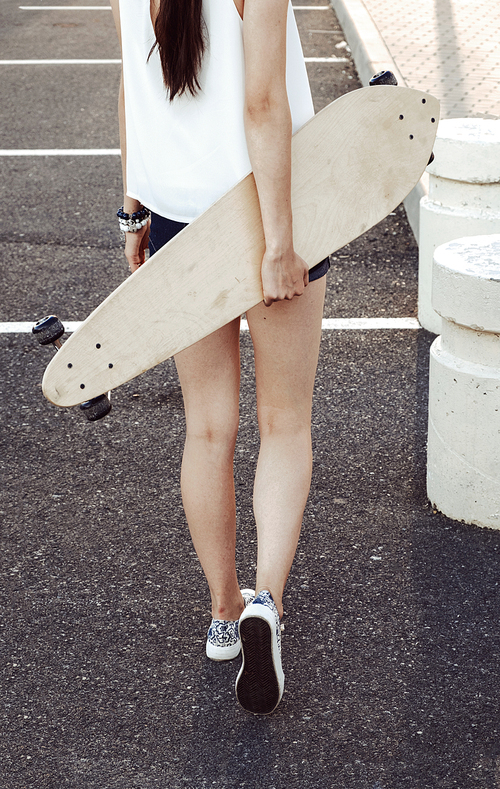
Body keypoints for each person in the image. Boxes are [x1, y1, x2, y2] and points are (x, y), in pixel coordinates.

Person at [110, 0, 328, 715]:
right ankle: (267, 601)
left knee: (208, 429)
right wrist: (279, 243)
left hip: (181, 222)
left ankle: (223, 613)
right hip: (272, 210)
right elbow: (264, 103)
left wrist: (134, 213)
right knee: (285, 423)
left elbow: (131, 90)